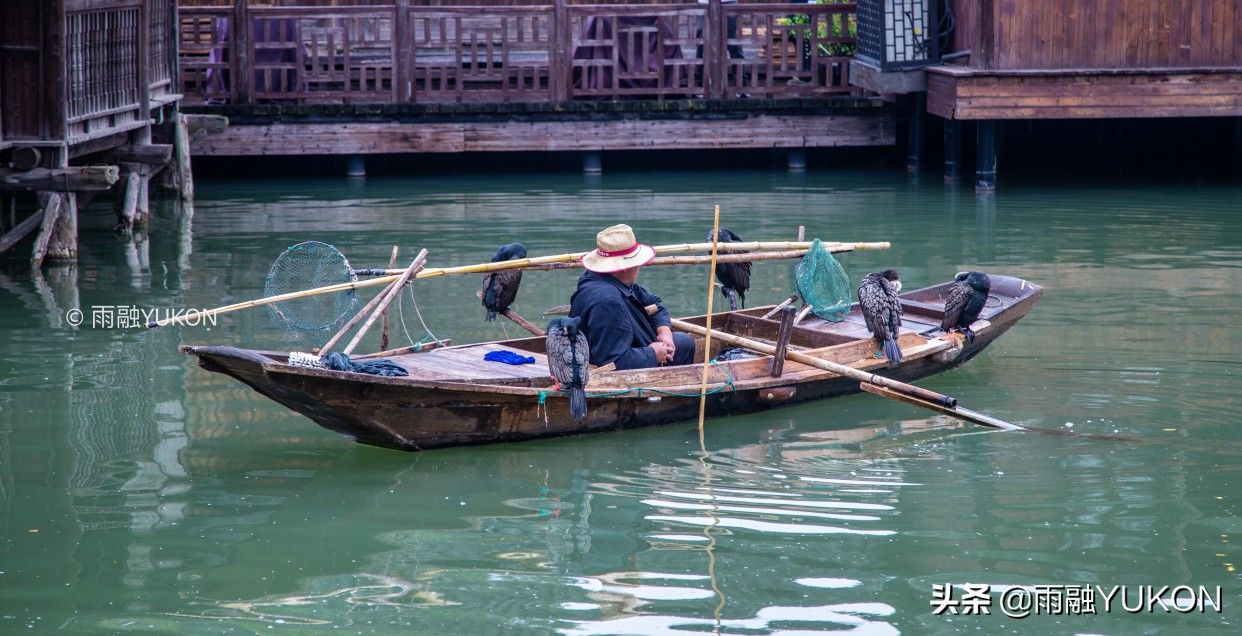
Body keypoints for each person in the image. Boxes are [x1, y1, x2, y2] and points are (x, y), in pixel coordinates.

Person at [570, 224, 696, 370]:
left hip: (627, 347)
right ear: (625, 266)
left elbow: (655, 305)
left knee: (682, 341)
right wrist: (652, 353)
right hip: (603, 370)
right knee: (685, 344)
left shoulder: (607, 279)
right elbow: (612, 361)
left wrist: (664, 333)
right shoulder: (608, 302)